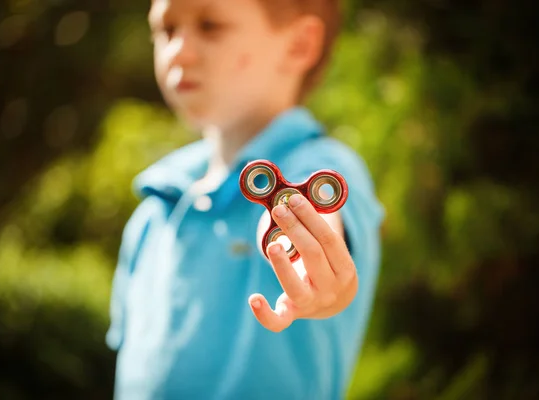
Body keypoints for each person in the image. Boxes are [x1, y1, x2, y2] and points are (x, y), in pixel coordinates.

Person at [105, 0, 384, 398]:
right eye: (166, 30)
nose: (177, 50)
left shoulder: (324, 165)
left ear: (298, 45)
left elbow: (320, 213)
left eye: (210, 25)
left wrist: (301, 245)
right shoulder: (155, 205)